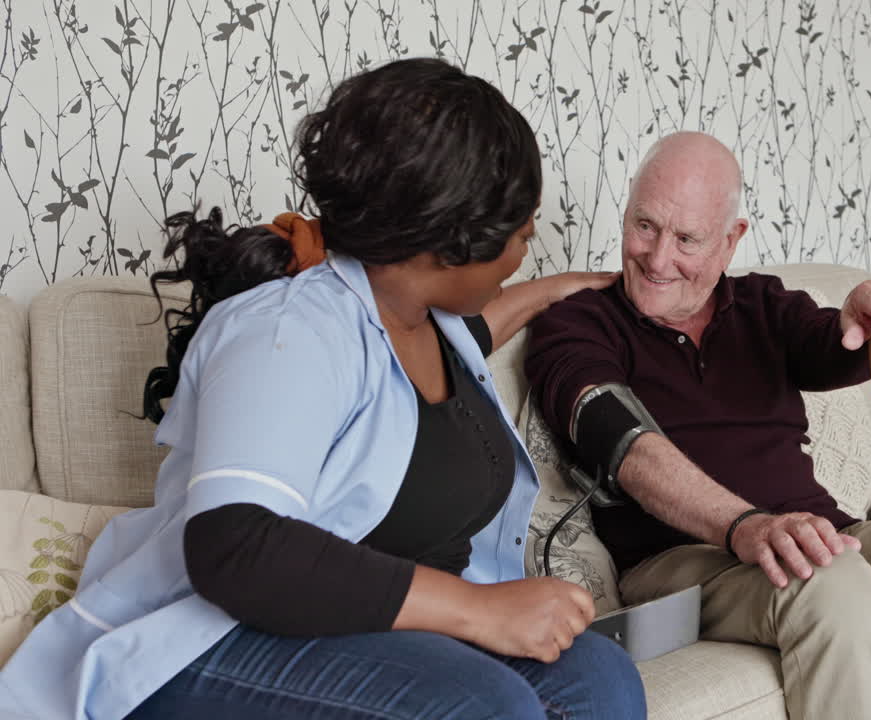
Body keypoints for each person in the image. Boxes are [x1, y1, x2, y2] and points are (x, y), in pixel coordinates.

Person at [0, 58, 646, 720]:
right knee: (485, 706)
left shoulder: (426, 326)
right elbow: (235, 546)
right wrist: (477, 609)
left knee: (597, 676)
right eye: (521, 237)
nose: (523, 255)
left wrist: (561, 289)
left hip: (366, 637)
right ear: (451, 248)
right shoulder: (286, 331)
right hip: (218, 638)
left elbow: (456, 349)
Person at [524, 131, 871, 719]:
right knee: (827, 576)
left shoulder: (763, 306)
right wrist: (746, 526)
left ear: (731, 241)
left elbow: (839, 342)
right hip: (682, 564)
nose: (658, 259)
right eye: (645, 226)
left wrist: (870, 306)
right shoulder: (578, 324)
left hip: (824, 537)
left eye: (686, 239)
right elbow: (626, 448)